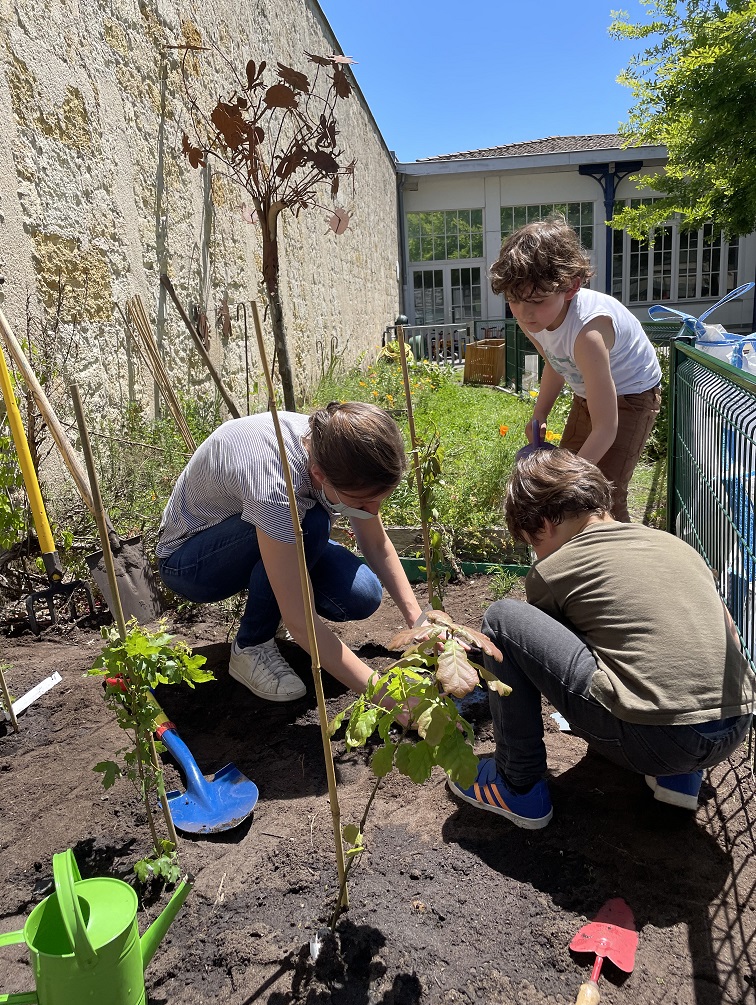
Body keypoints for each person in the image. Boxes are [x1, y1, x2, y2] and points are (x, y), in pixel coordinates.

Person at [448, 450, 755, 829]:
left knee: (502, 619)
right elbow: (721, 625)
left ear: (542, 525)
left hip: (656, 740)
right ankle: (680, 778)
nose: (537, 554)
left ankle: (517, 784)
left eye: (532, 543)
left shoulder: (555, 568)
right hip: (736, 726)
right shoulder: (674, 545)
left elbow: (543, 657)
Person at [157, 401, 424, 702]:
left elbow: (375, 543)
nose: (372, 511)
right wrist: (387, 697)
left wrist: (419, 621)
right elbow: (301, 621)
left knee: (361, 594)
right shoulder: (275, 484)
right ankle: (251, 646)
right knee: (310, 524)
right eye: (362, 503)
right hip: (192, 561)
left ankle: (271, 609)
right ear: (319, 474)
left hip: (265, 531)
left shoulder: (336, 444)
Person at [490, 215, 662, 522]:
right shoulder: (533, 316)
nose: (525, 313)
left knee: (602, 490)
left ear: (571, 288)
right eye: (514, 300)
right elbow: (555, 364)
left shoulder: (589, 334)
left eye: (537, 300)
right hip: (590, 391)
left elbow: (607, 427)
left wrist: (570, 483)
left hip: (633, 397)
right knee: (568, 463)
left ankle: (622, 563)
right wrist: (539, 414)